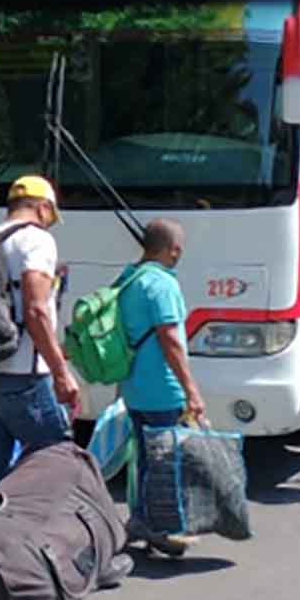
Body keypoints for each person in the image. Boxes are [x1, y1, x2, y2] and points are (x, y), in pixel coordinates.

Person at [0, 175, 84, 505]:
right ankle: (67, 549)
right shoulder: (36, 241)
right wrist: (61, 371)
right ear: (43, 208)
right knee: (60, 468)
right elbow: (36, 310)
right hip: (23, 377)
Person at [114, 218, 209, 556]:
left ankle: (140, 518)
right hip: (161, 389)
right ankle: (161, 527)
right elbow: (170, 340)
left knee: (145, 458)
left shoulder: (129, 279)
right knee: (165, 461)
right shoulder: (161, 284)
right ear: (173, 250)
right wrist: (191, 389)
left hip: (135, 387)